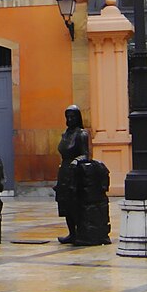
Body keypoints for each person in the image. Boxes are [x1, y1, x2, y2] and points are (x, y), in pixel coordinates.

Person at [54, 104, 89, 244]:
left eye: (72, 116)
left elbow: (86, 154)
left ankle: (80, 233)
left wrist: (76, 161)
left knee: (75, 203)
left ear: (78, 117)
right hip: (64, 171)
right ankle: (72, 233)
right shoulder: (65, 134)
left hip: (75, 173)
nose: (70, 119)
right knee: (64, 203)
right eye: (68, 117)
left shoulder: (82, 134)